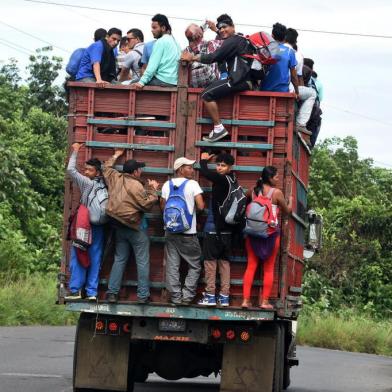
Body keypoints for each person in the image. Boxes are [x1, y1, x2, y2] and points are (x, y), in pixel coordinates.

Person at [181, 14, 253, 142]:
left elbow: (214, 57)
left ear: (233, 27)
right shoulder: (238, 40)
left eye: (225, 27)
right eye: (220, 29)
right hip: (243, 79)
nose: (222, 30)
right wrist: (215, 30)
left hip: (239, 80)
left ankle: (219, 128)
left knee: (206, 94)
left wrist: (192, 57)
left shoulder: (233, 41)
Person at [103, 149, 159, 303]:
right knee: (142, 261)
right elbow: (146, 205)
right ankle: (142, 296)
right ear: (135, 172)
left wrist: (115, 155)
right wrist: (152, 189)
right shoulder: (136, 185)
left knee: (119, 259)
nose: (141, 171)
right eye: (139, 169)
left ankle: (112, 293)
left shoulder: (114, 177)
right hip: (136, 228)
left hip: (118, 225)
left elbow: (106, 168)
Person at [242, 166, 292, 309]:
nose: (277, 179)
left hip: (252, 234)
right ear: (270, 178)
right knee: (269, 269)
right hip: (270, 235)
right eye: (276, 177)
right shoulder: (276, 193)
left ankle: (245, 301)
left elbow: (246, 202)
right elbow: (287, 211)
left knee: (250, 267)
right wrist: (291, 201)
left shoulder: (252, 191)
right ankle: (264, 302)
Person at [65, 143, 108, 301]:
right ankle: (92, 292)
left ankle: (76, 290)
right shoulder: (106, 184)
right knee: (95, 257)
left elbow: (70, 170)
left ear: (96, 172)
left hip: (84, 225)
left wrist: (75, 150)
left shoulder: (86, 183)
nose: (86, 172)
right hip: (99, 226)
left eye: (89, 170)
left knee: (78, 253)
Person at [160, 157, 204, 305]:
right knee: (195, 265)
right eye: (189, 167)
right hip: (188, 233)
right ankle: (187, 296)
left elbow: (163, 206)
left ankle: (176, 298)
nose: (192, 170)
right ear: (180, 169)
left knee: (172, 266)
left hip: (171, 232)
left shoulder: (167, 184)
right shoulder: (193, 184)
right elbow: (201, 206)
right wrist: (191, 214)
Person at [198, 152, 237, 306]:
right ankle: (224, 297)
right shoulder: (233, 180)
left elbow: (205, 172)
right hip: (228, 231)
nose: (219, 168)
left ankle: (209, 295)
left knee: (210, 263)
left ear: (229, 167)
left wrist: (203, 161)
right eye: (218, 165)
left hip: (213, 229)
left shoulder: (221, 179)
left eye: (223, 165)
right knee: (225, 264)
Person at [132, 14, 181, 89]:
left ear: (163, 28)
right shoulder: (176, 43)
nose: (152, 30)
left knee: (131, 83)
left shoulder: (160, 41)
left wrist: (142, 82)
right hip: (174, 81)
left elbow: (152, 65)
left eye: (154, 28)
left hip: (162, 80)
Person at [284, 28, 316, 134]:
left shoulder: (273, 49)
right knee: (312, 93)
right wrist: (297, 93)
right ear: (295, 42)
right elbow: (297, 77)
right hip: (288, 89)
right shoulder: (296, 55)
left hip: (270, 87)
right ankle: (301, 123)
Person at [260, 23, 299, 96]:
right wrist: (297, 92)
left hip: (264, 91)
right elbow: (294, 76)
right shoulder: (290, 52)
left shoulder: (265, 50)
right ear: (285, 38)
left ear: (272, 36)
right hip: (282, 92)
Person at [184, 23, 222, 88]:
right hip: (213, 88)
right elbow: (231, 41)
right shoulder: (212, 44)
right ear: (200, 35)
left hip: (193, 88)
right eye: (197, 26)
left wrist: (200, 30)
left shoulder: (186, 51)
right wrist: (216, 30)